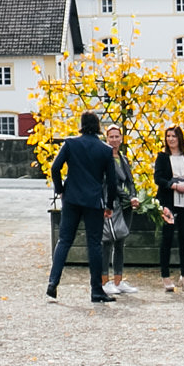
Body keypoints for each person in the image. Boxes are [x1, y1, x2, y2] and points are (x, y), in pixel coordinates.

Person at [46, 110, 115, 305]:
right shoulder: (105, 150)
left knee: (64, 240)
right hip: (93, 201)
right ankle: (96, 289)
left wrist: (60, 190)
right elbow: (111, 182)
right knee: (94, 244)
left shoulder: (70, 144)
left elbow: (55, 168)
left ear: (82, 125)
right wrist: (109, 205)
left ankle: (53, 282)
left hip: (72, 198)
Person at [154, 125, 184, 293]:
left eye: (173, 136)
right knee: (167, 238)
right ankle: (165, 275)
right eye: (168, 136)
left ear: (179, 138)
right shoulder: (163, 157)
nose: (170, 139)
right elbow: (158, 178)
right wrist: (174, 185)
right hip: (168, 202)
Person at [102, 123, 137, 294]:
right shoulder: (104, 158)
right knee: (107, 242)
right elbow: (112, 184)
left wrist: (134, 195)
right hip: (111, 204)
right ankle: (104, 281)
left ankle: (118, 280)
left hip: (125, 205)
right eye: (111, 137)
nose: (114, 140)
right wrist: (128, 197)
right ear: (106, 139)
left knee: (120, 242)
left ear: (121, 138)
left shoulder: (123, 158)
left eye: (117, 136)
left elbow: (130, 180)